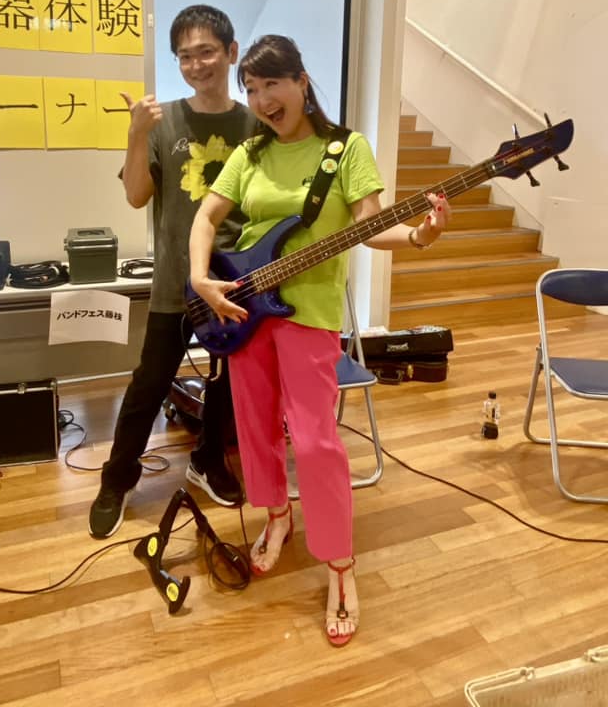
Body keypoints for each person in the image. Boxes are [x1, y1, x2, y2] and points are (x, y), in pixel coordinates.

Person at [189, 35, 451, 646]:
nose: (261, 100)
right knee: (253, 428)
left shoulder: (345, 149)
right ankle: (277, 517)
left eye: (271, 85)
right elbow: (206, 217)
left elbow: (370, 227)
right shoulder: (250, 153)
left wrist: (421, 235)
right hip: (242, 309)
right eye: (251, 89)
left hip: (309, 315)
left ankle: (339, 564)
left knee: (315, 442)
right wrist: (201, 278)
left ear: (301, 82)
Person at [89, 5, 255, 539]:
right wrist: (136, 133)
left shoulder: (255, 125)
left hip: (237, 280)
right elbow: (137, 195)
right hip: (174, 282)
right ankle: (117, 478)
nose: (196, 65)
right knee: (149, 383)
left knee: (229, 382)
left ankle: (208, 460)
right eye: (185, 56)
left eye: (206, 52)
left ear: (231, 53)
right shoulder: (164, 123)